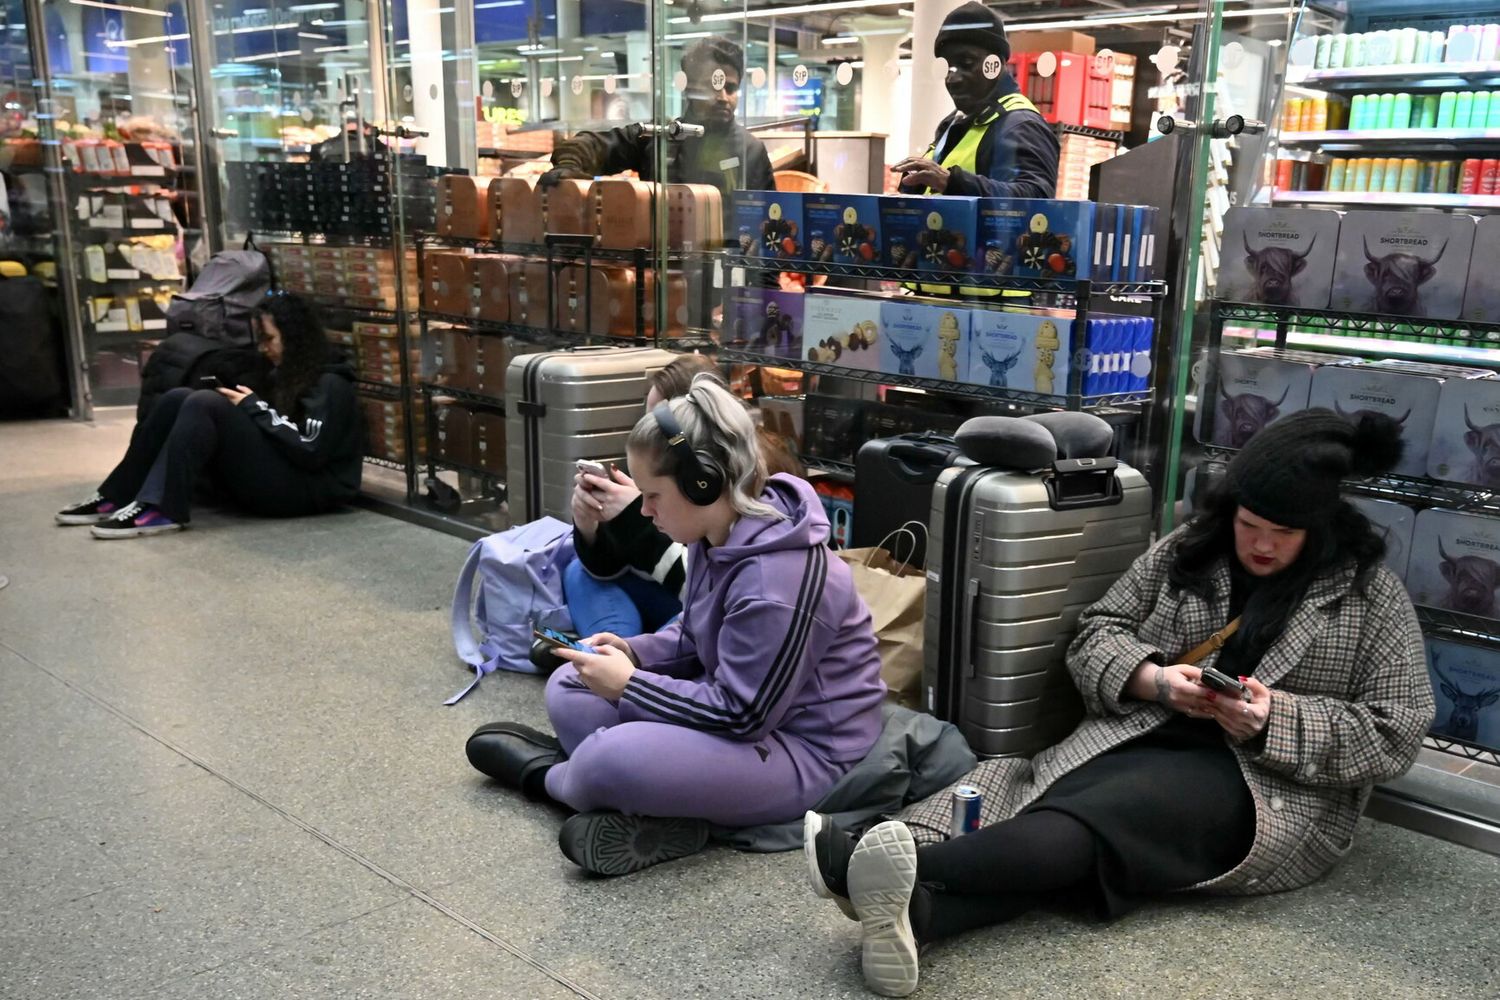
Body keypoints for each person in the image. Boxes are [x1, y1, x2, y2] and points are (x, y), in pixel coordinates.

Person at [802, 410, 1435, 997]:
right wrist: (1156, 681)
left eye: (1282, 534)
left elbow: (1398, 729)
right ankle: (920, 911)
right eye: (1249, 526)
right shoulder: (1191, 550)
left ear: (1321, 528)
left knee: (1098, 817)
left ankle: (883, 863)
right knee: (1072, 814)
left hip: (1264, 784)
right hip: (1143, 733)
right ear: (1231, 511)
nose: (1261, 546)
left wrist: (1275, 720)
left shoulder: (1367, 595)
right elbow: (1097, 632)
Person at [466, 373, 885, 877]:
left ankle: (551, 778)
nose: (643, 510)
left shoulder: (778, 578)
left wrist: (631, 684)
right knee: (568, 685)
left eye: (653, 495)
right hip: (744, 724)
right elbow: (693, 631)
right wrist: (632, 650)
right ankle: (641, 799)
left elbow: (743, 716)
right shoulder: (717, 533)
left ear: (702, 483)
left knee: (611, 758)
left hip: (806, 754)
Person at [55, 292, 363, 539]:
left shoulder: (330, 384)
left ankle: (162, 509)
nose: (263, 349)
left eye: (270, 339)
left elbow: (310, 449)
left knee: (205, 404)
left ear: (294, 339)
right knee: (179, 398)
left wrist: (253, 408)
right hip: (285, 477)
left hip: (307, 492)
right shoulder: (286, 373)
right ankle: (117, 495)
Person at [540, 37, 774, 233]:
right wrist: (569, 165)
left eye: (731, 88)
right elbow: (591, 145)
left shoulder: (751, 150)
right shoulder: (658, 136)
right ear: (690, 89)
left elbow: (767, 228)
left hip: (722, 277)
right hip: (660, 274)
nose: (723, 97)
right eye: (712, 86)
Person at [895, 2, 1059, 200]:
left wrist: (951, 182)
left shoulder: (1020, 124)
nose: (952, 78)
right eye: (948, 67)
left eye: (966, 63)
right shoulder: (955, 122)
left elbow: (1036, 198)